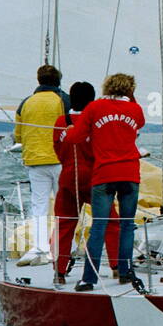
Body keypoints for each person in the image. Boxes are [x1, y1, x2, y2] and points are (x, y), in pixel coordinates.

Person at [67, 73, 145, 290]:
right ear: (130, 90)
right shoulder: (135, 109)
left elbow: (76, 138)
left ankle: (88, 279)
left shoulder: (94, 108)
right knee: (127, 225)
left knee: (99, 226)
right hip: (130, 173)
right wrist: (132, 97)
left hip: (104, 174)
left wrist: (69, 131)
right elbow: (140, 123)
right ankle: (125, 272)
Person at [50, 81, 117, 284]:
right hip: (95, 177)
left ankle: (59, 272)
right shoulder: (98, 121)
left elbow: (58, 149)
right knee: (112, 222)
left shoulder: (61, 121)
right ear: (93, 99)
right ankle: (117, 266)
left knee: (64, 224)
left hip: (69, 177)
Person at [13, 64, 68, 258]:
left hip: (35, 160)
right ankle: (62, 247)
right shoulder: (63, 100)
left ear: (38, 80)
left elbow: (18, 136)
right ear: (58, 80)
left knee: (39, 206)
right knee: (64, 205)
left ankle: (41, 247)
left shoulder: (26, 103)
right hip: (61, 160)